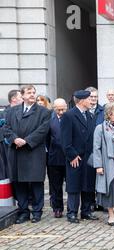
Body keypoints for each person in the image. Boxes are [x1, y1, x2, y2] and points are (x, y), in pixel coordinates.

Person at [3, 85, 51, 224]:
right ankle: (23, 211)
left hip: (33, 151)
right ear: (22, 95)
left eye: (33, 92)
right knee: (19, 183)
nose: (32, 95)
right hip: (16, 152)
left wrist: (26, 141)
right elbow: (6, 127)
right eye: (29, 92)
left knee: (36, 182)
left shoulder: (43, 112)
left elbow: (43, 130)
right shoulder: (12, 111)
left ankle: (37, 211)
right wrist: (15, 139)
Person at [60, 90, 98, 223]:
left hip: (88, 157)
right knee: (74, 186)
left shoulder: (90, 115)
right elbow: (65, 140)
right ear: (81, 101)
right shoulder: (69, 115)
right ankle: (72, 212)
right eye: (89, 99)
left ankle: (86, 211)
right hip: (75, 157)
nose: (92, 101)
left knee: (88, 184)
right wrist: (72, 155)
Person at [46, 98, 68, 218]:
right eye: (58, 110)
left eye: (63, 109)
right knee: (56, 185)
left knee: (70, 184)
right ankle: (57, 208)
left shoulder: (70, 117)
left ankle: (72, 208)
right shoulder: (49, 119)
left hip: (69, 157)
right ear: (54, 109)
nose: (61, 112)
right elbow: (47, 139)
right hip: (54, 157)